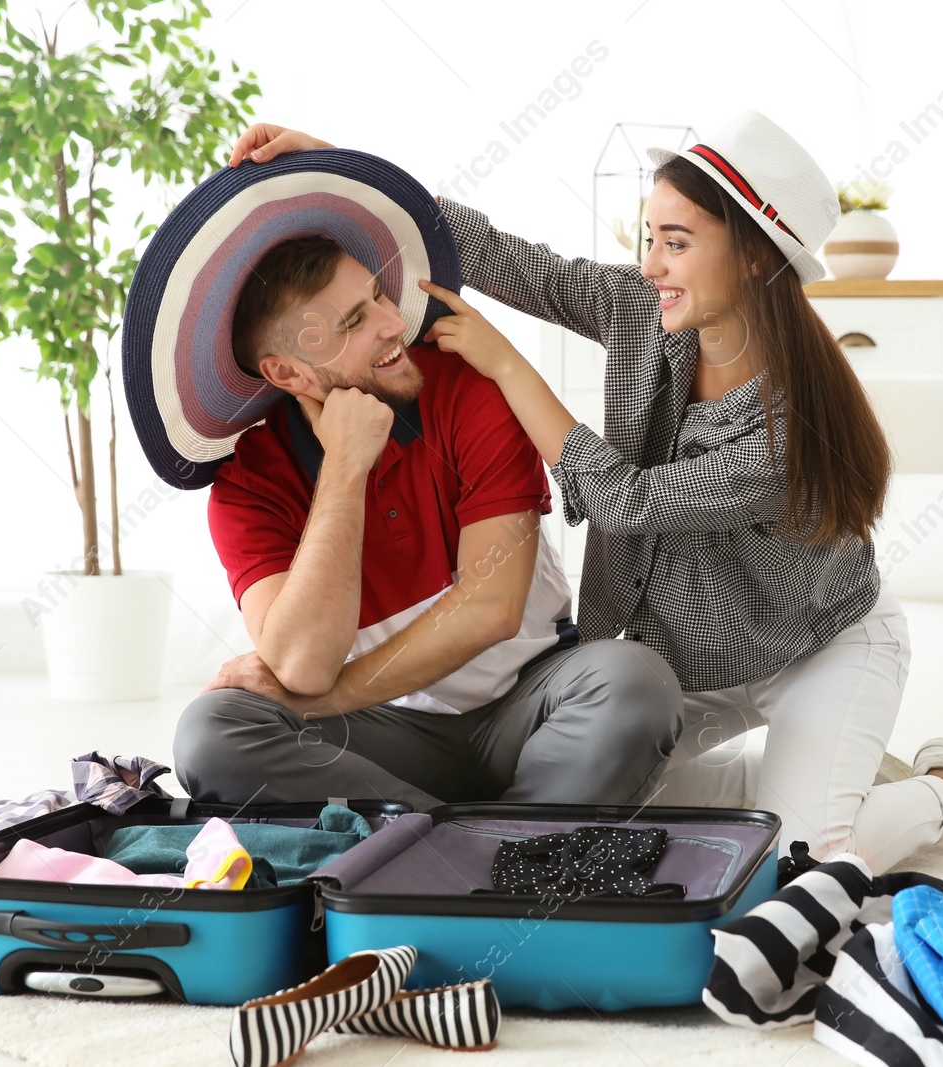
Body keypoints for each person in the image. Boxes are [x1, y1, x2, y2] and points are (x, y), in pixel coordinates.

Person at [230, 114, 943, 872]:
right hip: (687, 665)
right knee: (630, 824)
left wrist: (502, 360)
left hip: (816, 648)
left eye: (676, 242)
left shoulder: (788, 428)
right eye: (648, 237)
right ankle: (841, 776)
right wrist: (347, 167)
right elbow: (502, 256)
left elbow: (628, 501)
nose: (651, 265)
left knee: (793, 865)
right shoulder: (644, 312)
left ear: (754, 257)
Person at [171, 229, 683, 812]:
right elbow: (302, 664)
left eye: (377, 296)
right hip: (383, 736)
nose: (393, 324)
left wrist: (325, 701)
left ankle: (440, 850)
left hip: (531, 705)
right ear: (288, 374)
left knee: (636, 678)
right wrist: (344, 465)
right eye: (353, 323)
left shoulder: (466, 387)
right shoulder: (248, 485)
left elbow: (491, 609)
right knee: (210, 732)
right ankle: (481, 846)